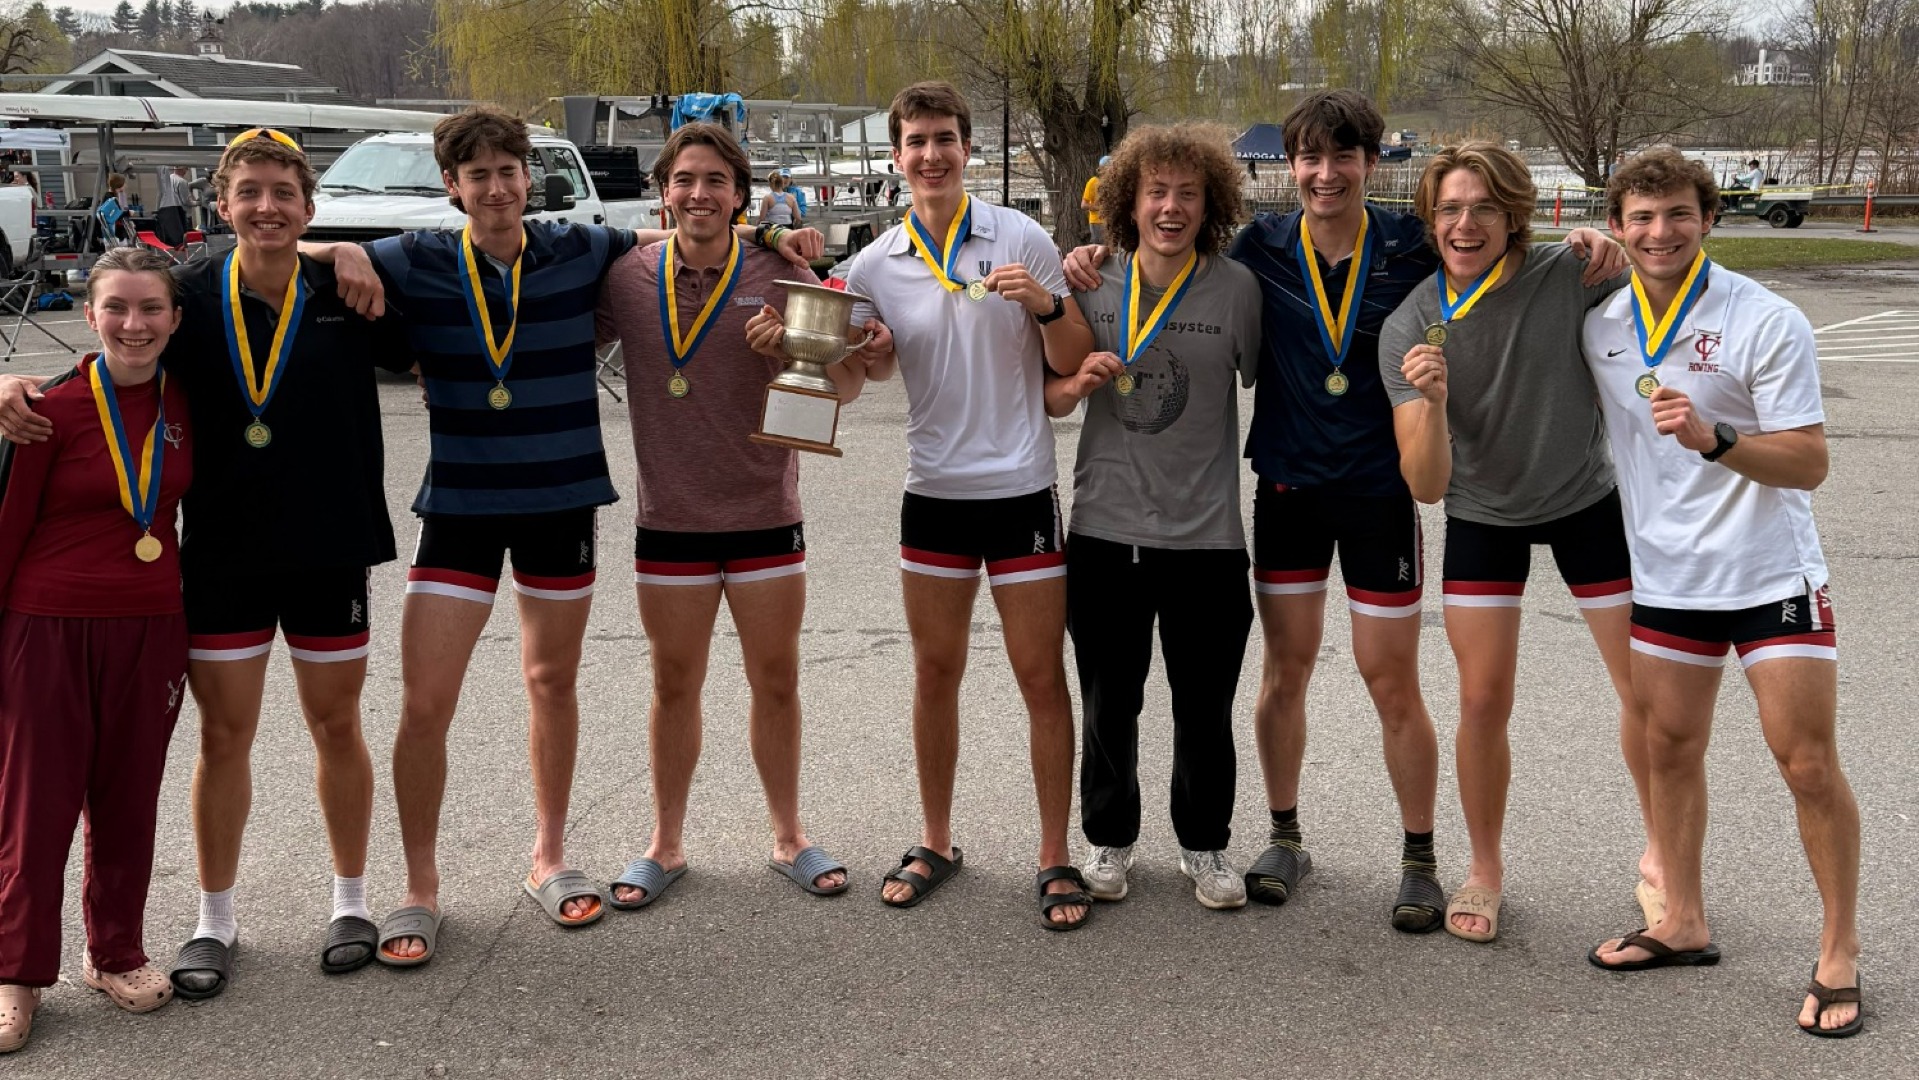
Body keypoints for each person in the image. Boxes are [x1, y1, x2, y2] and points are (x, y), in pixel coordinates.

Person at [1061, 89, 1620, 934]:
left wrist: (1594, 240)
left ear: (1371, 162)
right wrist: (1084, 260)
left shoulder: (1409, 243)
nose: (1326, 173)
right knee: (1283, 676)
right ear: (1291, 167)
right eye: (1309, 158)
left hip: (1379, 492)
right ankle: (1284, 837)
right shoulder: (1259, 248)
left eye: (1344, 156)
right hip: (1286, 488)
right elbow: (1161, 278)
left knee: (1389, 679)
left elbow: (1498, 262)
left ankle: (1420, 856)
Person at [322, 106, 820, 967]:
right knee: (424, 702)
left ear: (529, 178)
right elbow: (267, 252)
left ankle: (548, 856)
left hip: (561, 504)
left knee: (551, 682)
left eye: (507, 171)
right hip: (460, 509)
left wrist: (785, 233)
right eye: (475, 175)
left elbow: (707, 247)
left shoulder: (588, 252)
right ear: (452, 186)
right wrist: (340, 251)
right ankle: (419, 889)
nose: (494, 188)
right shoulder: (419, 258)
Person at [0, 130, 415, 999]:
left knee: (337, 728)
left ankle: (350, 902)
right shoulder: (186, 294)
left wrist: (346, 250)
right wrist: (10, 384)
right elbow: (115, 354)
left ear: (309, 205)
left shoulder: (351, 285)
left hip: (331, 549)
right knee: (224, 738)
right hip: (222, 555)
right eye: (249, 192)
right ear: (221, 205)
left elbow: (479, 261)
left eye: (285, 193)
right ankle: (213, 921)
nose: (267, 207)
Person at [1583, 148, 1863, 1039]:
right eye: (1638, 217)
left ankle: (1839, 950)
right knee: (1667, 749)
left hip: (1767, 574)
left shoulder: (1762, 316)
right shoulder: (1602, 324)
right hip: (1666, 576)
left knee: (1805, 762)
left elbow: (1809, 461)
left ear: (1706, 217)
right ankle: (1683, 921)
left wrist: (1715, 440)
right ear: (1618, 226)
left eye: (1674, 214)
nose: (1657, 232)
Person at [590, 122, 892, 908]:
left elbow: (849, 390)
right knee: (674, 685)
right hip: (671, 520)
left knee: (777, 681)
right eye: (685, 179)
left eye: (715, 181)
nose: (698, 193)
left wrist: (787, 353)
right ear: (665, 190)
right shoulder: (626, 276)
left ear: (738, 194)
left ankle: (788, 834)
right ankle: (666, 842)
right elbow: (555, 344)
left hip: (764, 512)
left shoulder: (782, 272)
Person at [840, 81, 1097, 929]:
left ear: (967, 148)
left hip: (1020, 488)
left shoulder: (1018, 236)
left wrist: (1044, 302)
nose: (931, 154)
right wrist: (868, 346)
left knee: (1038, 677)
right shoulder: (874, 264)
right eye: (915, 141)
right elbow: (864, 372)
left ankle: (1054, 853)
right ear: (895, 157)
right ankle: (937, 840)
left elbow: (1071, 355)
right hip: (934, 496)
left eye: (945, 138)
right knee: (935, 674)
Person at [1379, 141, 1644, 943]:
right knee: (1483, 699)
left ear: (1513, 214)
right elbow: (1424, 486)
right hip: (1482, 514)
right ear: (1431, 222)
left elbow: (1664, 267)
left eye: (1484, 208)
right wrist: (1428, 402)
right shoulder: (1409, 325)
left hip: (1581, 499)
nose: (1466, 224)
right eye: (1450, 209)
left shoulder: (1568, 271)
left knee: (1643, 691)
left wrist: (1618, 246)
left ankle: (1663, 858)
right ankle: (1484, 868)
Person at [1047, 123, 1262, 910]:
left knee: (1205, 705)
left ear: (1209, 206)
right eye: (1156, 193)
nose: (1170, 208)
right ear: (1128, 204)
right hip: (1107, 530)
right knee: (1110, 700)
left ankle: (1204, 846)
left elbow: (1270, 381)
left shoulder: (1236, 291)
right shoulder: (1091, 282)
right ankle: (1108, 838)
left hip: (1207, 536)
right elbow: (1050, 390)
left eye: (1187, 194)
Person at [0, 246, 192, 1052]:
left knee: (128, 796)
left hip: (150, 625)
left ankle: (115, 952)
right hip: (47, 622)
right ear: (89, 316)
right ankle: (15, 973)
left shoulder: (188, 403)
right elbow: (8, 525)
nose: (134, 324)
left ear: (175, 319)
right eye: (116, 307)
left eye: (151, 308)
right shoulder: (46, 407)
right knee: (33, 805)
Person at [157, 165, 192, 247]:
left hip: (171, 217)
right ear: (183, 169)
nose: (186, 171)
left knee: (172, 240)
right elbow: (186, 201)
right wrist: (198, 202)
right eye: (186, 169)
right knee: (184, 241)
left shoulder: (168, 181)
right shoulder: (182, 181)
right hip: (184, 215)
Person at [1081, 157, 1108, 243]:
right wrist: (1101, 208)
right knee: (1099, 249)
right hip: (1097, 222)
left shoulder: (1113, 182)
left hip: (1110, 222)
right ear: (1101, 168)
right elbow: (1084, 205)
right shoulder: (1093, 182)